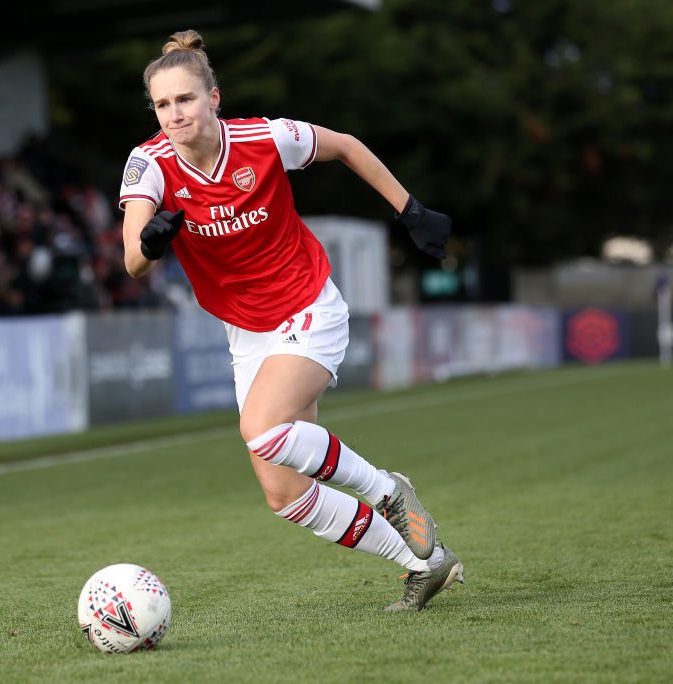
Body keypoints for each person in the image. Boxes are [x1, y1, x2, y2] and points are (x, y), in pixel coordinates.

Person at [119, 30, 462, 612]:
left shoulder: (266, 138)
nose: (175, 114)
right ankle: (423, 562)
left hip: (307, 307)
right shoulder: (148, 164)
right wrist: (150, 243)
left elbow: (347, 146)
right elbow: (130, 260)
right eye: (162, 104)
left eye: (186, 99)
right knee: (284, 493)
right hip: (245, 331)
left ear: (213, 98)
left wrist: (411, 210)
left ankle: (389, 491)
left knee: (263, 429)